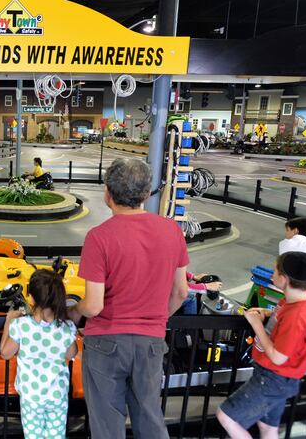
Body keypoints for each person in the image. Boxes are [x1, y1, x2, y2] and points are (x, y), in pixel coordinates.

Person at [68, 157, 189, 439]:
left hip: (106, 343)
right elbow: (181, 291)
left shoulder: (99, 237)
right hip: (151, 343)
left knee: (107, 426)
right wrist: (155, 320)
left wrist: (74, 311)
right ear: (147, 195)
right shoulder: (172, 230)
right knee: (149, 418)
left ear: (107, 195)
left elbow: (94, 305)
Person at [217, 252, 306, 439]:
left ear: (285, 279)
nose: (272, 274)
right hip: (277, 378)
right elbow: (281, 322)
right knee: (267, 428)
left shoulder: (297, 316)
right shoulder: (292, 302)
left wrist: (256, 324)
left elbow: (278, 357)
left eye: (276, 270)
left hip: (273, 379)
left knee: (226, 417)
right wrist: (266, 313)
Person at [0, 269, 78, 439]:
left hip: (31, 395)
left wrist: (8, 322)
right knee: (56, 435)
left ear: (31, 297)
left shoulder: (21, 325)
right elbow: (72, 352)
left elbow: (5, 353)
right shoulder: (66, 327)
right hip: (58, 394)